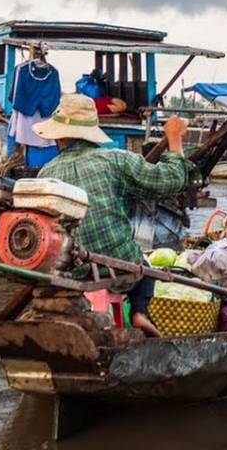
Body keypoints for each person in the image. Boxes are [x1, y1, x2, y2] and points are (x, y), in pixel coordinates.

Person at [34, 93, 197, 338]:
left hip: (67, 269)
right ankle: (139, 312)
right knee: (145, 267)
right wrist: (174, 139)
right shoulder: (116, 160)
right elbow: (172, 181)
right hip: (118, 267)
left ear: (59, 136)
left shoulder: (46, 173)